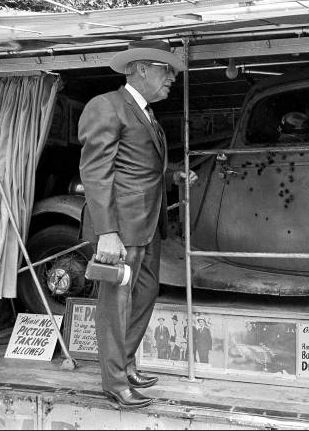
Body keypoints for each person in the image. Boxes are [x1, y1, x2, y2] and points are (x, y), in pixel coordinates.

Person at [79, 40, 198, 409]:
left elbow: (140, 168)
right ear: (142, 69)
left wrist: (176, 173)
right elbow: (96, 173)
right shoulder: (107, 106)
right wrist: (107, 232)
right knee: (116, 303)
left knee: (144, 296)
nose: (173, 79)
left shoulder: (145, 113)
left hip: (148, 226)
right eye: (167, 71)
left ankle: (125, 364)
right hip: (121, 229)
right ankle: (114, 382)